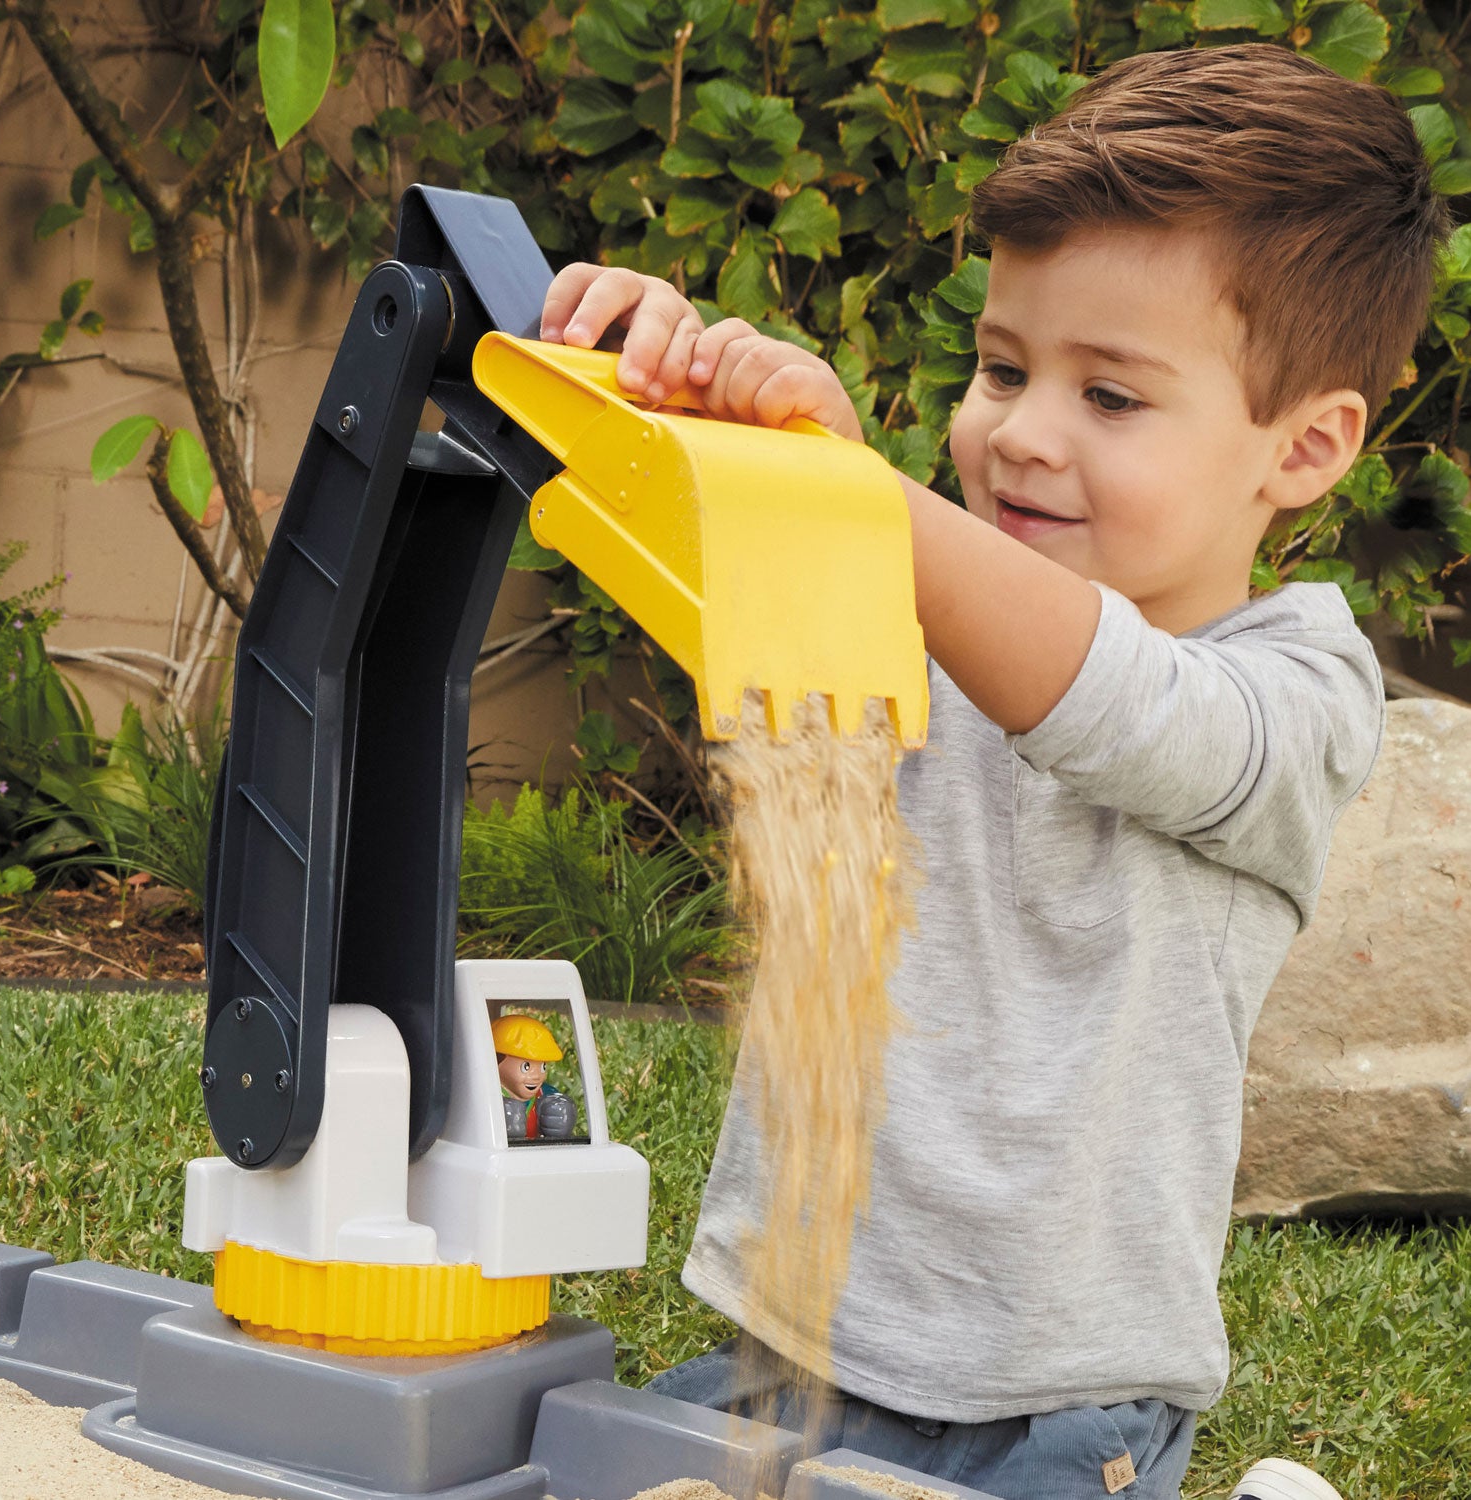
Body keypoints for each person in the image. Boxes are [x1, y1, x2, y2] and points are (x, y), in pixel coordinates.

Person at [536, 43, 1451, 1500]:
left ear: (1303, 448)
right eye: (1003, 368)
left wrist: (856, 492)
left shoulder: (1295, 693)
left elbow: (1110, 697)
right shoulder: (909, 591)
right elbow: (732, 556)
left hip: (1060, 1416)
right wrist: (661, 389)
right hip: (791, 1355)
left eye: (1112, 397)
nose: (1019, 434)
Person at [492, 1012, 574, 1140]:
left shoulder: (543, 1094)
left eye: (543, 1067)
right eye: (526, 1067)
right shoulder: (487, 1095)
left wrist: (562, 1115)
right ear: (497, 1060)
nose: (537, 1076)